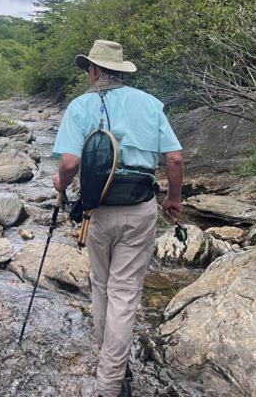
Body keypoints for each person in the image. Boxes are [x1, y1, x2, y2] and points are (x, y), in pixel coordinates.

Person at [52, 40, 184, 397]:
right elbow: (174, 159)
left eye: (89, 70)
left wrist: (60, 183)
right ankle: (112, 380)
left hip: (96, 210)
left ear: (94, 71)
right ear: (120, 71)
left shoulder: (79, 106)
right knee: (124, 292)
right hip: (139, 209)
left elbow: (69, 164)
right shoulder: (150, 103)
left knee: (101, 286)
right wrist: (173, 198)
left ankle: (110, 373)